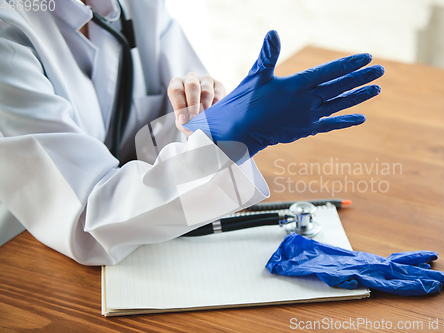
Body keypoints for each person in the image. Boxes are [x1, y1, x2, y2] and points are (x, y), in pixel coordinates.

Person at [0, 0, 383, 265]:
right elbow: (87, 221)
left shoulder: (135, 6)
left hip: (142, 239)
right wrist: (218, 146)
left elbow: (180, 120)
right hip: (22, 253)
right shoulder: (8, 34)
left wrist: (203, 122)